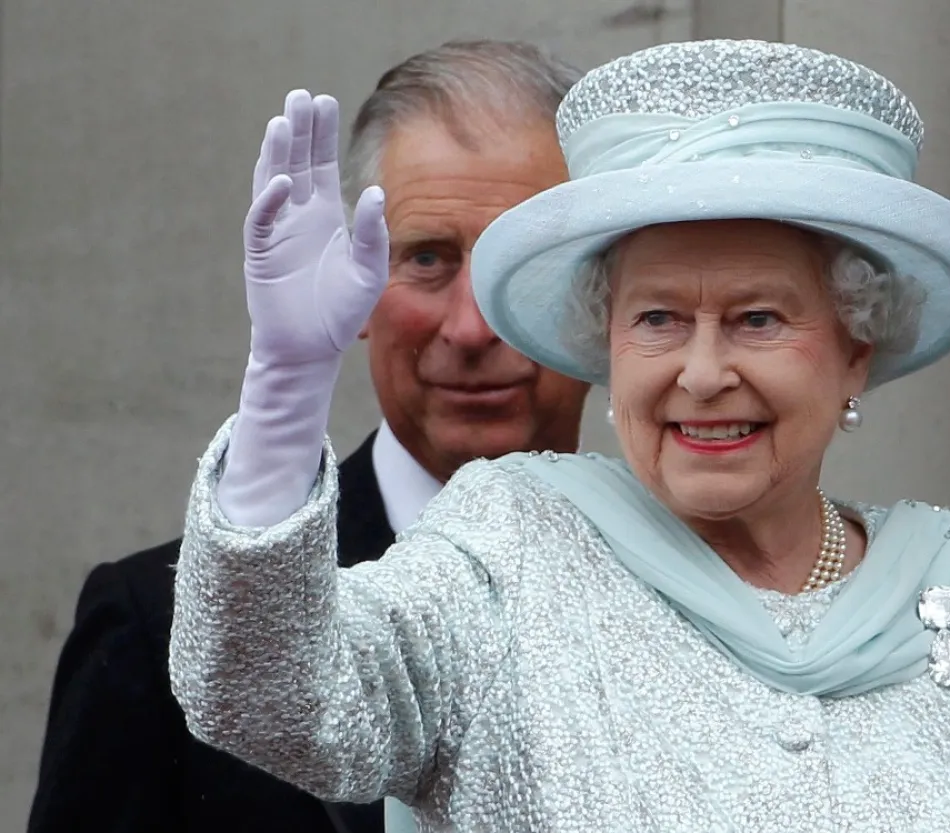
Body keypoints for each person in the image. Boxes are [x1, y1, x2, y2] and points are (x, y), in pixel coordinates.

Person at [167, 39, 950, 831]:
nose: (700, 373)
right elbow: (277, 697)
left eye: (758, 319)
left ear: (857, 347)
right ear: (605, 343)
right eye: (657, 319)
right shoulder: (507, 552)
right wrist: (286, 384)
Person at [28, 41, 589, 833]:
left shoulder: (691, 594)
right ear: (353, 287)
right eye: (425, 259)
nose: (471, 325)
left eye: (514, 265)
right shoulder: (159, 624)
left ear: (604, 298)